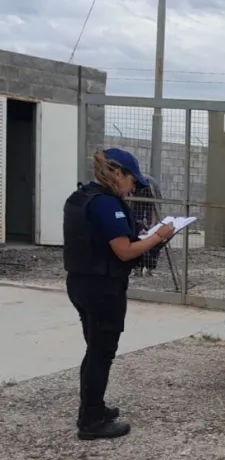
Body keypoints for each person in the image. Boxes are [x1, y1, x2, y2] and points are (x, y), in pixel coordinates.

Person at [62, 148, 176, 440]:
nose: (134, 186)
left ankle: (93, 407)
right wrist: (156, 237)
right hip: (102, 288)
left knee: (94, 350)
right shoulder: (105, 204)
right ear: (117, 174)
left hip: (81, 282)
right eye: (132, 180)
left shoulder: (82, 197)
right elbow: (123, 251)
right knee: (101, 353)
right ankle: (91, 421)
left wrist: (151, 239)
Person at [133, 175, 164, 276]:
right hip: (137, 204)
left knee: (154, 233)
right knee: (136, 230)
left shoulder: (152, 186)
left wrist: (152, 224)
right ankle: (136, 266)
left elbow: (155, 207)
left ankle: (149, 266)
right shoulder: (132, 186)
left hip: (152, 200)